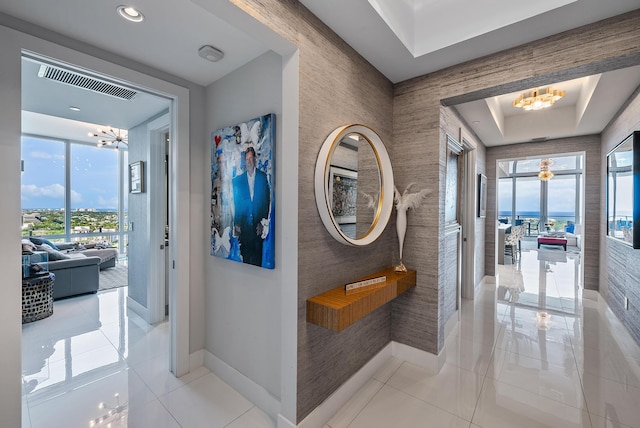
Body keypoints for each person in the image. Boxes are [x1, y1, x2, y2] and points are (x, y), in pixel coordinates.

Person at [233, 147, 270, 266]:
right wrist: (237, 223)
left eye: (250, 158)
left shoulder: (262, 177)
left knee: (257, 260)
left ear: (255, 159)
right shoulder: (238, 181)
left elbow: (266, 201)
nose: (249, 162)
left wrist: (262, 222)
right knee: (246, 261)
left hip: (257, 228)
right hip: (244, 228)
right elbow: (237, 204)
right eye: (246, 159)